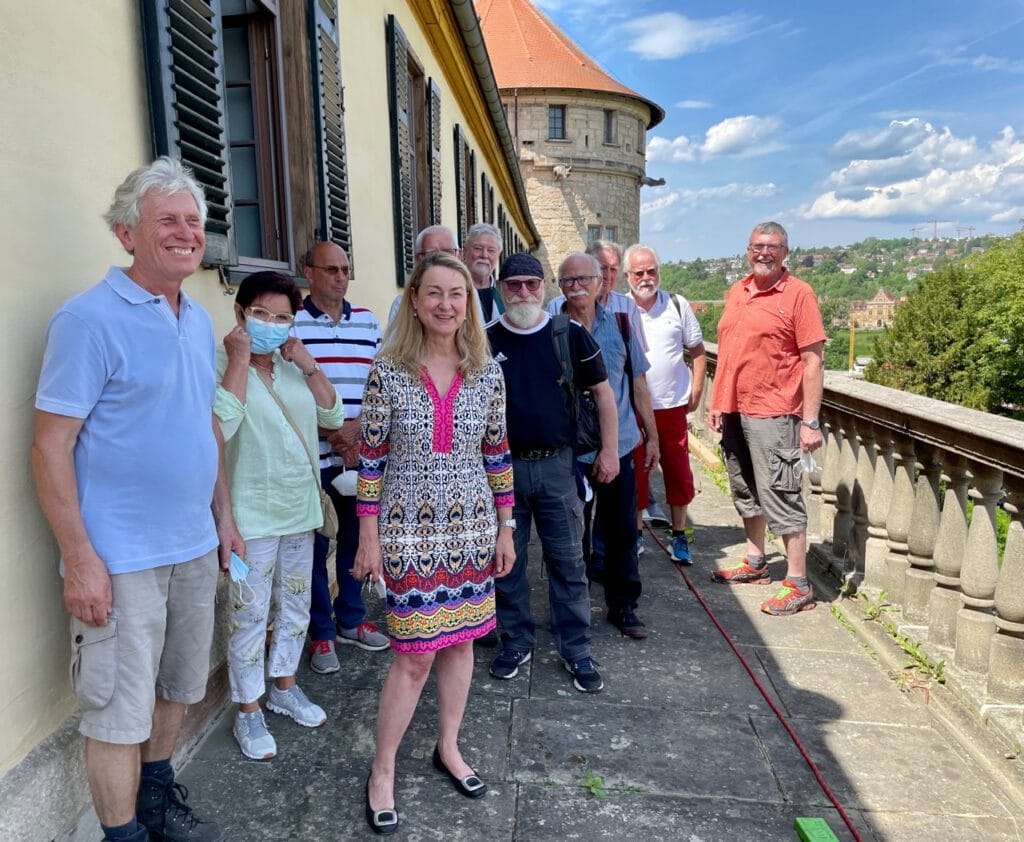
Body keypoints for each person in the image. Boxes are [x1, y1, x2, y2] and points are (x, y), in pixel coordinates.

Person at [31, 157, 243, 842]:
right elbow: (50, 445)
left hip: (191, 544)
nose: (186, 233)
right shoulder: (88, 320)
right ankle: (121, 837)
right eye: (168, 221)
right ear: (127, 233)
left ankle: (157, 810)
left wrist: (224, 518)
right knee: (118, 713)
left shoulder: (193, 319)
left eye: (194, 222)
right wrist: (80, 559)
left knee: (178, 690)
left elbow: (203, 425)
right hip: (121, 559)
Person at [353, 252, 515, 834]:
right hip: (408, 531)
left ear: (469, 303)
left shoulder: (487, 372)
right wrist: (368, 536)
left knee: (463, 644)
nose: (446, 304)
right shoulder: (388, 369)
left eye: (457, 294)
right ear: (415, 301)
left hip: (472, 528)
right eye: (434, 293)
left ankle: (448, 746)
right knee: (413, 656)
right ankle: (383, 769)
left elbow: (496, 454)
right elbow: (370, 459)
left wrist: (505, 526)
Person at [215, 272, 347, 760]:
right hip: (250, 516)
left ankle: (285, 686)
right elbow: (222, 426)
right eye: (262, 315)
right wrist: (237, 360)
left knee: (296, 608)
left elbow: (332, 417)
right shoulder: (220, 365)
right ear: (240, 314)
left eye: (283, 317)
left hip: (299, 511)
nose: (272, 324)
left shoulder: (292, 367)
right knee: (248, 616)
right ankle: (248, 711)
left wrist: (309, 365)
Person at [487, 252, 618, 693]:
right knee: (508, 562)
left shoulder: (569, 334)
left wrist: (610, 452)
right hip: (501, 474)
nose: (523, 292)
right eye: (514, 285)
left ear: (544, 286)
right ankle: (516, 640)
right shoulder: (483, 341)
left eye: (531, 283)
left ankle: (576, 647)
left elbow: (603, 395)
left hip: (559, 467)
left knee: (568, 561)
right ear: (501, 289)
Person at [707, 221, 825, 616]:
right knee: (744, 488)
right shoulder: (738, 291)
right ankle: (756, 562)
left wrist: (810, 422)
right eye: (758, 246)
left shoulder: (798, 295)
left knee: (782, 492)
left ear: (785, 252)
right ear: (747, 250)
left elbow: (812, 361)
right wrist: (718, 401)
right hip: (736, 409)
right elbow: (728, 352)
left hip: (776, 412)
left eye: (772, 247)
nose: (764, 253)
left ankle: (798, 582)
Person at [294, 242, 388, 675]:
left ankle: (351, 618)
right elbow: (289, 389)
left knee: (356, 538)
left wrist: (355, 433)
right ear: (308, 272)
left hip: (359, 455)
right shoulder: (291, 324)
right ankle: (322, 634)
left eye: (345, 269)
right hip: (311, 455)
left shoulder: (367, 321)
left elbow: (383, 383)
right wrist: (333, 431)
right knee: (315, 547)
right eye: (330, 269)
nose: (340, 277)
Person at [558, 253, 659, 639]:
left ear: (601, 282)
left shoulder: (621, 322)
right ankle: (573, 607)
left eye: (585, 278)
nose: (577, 286)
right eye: (569, 281)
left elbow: (637, 384)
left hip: (619, 445)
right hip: (572, 450)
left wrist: (652, 439)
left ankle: (624, 606)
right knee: (572, 536)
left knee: (620, 532)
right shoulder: (553, 327)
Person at [625, 243, 706, 564]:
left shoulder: (677, 304)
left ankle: (679, 535)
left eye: (652, 271)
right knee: (636, 474)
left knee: (678, 472)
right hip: (633, 408)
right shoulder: (622, 308)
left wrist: (697, 391)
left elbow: (698, 351)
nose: (646, 278)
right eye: (639, 272)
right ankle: (637, 535)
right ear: (628, 276)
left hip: (672, 406)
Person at [386, 225, 484, 325]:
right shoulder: (402, 303)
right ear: (419, 258)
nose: (440, 259)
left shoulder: (471, 296)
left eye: (447, 252)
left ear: (459, 255)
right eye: (432, 254)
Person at [464, 222, 504, 323]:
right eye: (478, 248)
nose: (484, 255)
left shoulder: (504, 292)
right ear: (465, 251)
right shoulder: (454, 289)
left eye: (491, 250)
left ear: (498, 255)